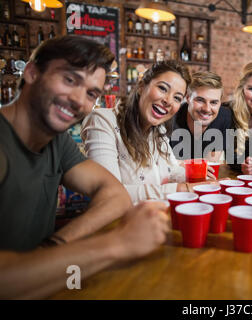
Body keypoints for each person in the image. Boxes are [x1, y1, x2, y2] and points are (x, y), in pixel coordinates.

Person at [0, 36, 169, 298]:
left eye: (92, 93)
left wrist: (54, 247)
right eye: (70, 80)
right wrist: (117, 243)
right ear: (32, 72)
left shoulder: (57, 141)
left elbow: (115, 194)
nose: (80, 100)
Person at [82, 60, 215, 204]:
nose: (168, 101)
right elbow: (108, 193)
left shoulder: (158, 129)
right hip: (120, 224)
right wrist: (186, 188)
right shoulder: (103, 121)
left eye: (177, 98)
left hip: (157, 218)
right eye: (163, 88)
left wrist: (196, 175)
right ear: (141, 86)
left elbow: (170, 170)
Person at [169, 71, 232, 162]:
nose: (207, 109)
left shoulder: (224, 117)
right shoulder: (171, 116)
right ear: (187, 98)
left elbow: (209, 166)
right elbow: (164, 166)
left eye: (214, 102)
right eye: (200, 100)